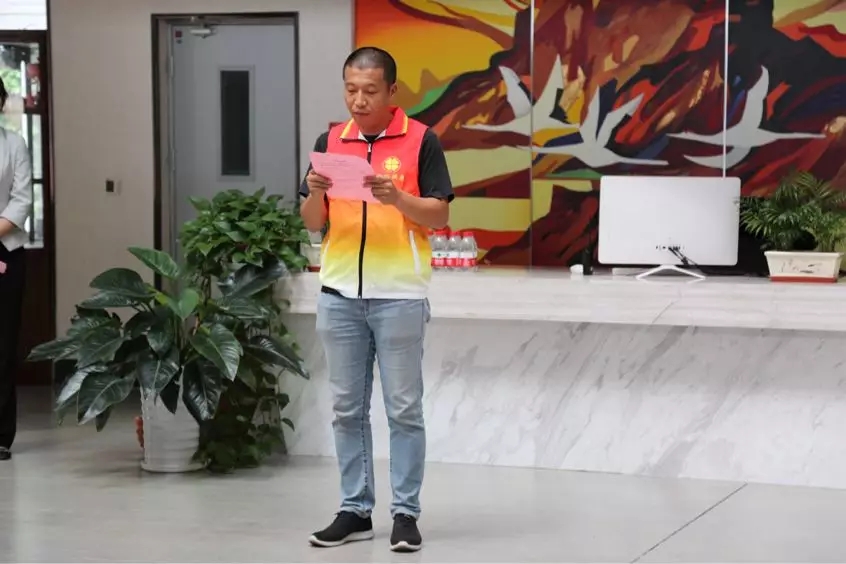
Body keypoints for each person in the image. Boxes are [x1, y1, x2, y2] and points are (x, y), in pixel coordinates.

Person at [300, 47, 453, 553]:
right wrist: (314, 192)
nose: (359, 100)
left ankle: (405, 514)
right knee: (346, 409)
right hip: (339, 294)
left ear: (392, 91)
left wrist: (399, 199)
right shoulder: (329, 143)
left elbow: (439, 215)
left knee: (404, 409)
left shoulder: (421, 140)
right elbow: (313, 222)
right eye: (351, 89)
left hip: (399, 296)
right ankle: (355, 510)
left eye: (369, 90)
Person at [0, 76, 33, 461]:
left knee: (3, 346)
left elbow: (21, 200)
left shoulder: (14, 144)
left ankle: (0, 435)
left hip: (6, 249)